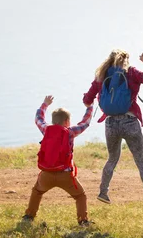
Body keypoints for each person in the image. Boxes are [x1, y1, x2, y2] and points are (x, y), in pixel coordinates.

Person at [82, 49, 143, 208]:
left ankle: (103, 192)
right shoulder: (130, 72)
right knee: (141, 161)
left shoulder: (102, 75)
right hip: (130, 122)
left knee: (112, 159)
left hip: (111, 124)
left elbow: (87, 100)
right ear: (126, 61)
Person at [22, 95, 93, 226]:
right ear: (66, 121)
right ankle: (83, 221)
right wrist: (90, 107)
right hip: (65, 175)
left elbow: (38, 119)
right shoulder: (70, 132)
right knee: (80, 196)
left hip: (46, 174)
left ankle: (29, 216)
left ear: (54, 121)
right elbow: (85, 123)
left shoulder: (46, 130)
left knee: (37, 191)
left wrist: (44, 104)